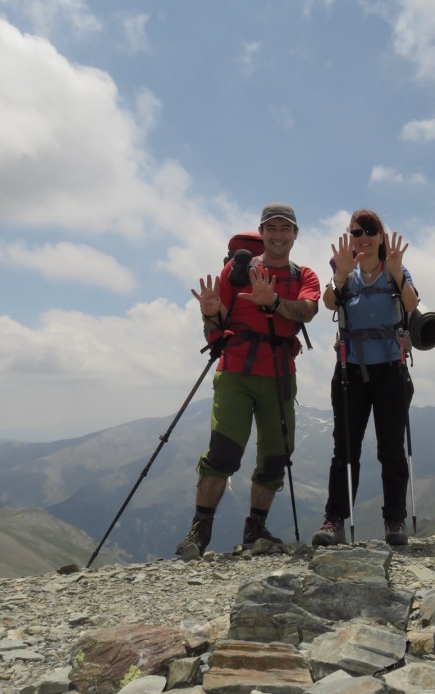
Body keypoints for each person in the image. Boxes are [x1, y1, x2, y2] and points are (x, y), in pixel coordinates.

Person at [176, 203, 321, 559]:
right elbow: (218, 323)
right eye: (271, 228)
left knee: (275, 457)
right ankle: (199, 530)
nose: (277, 235)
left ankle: (256, 527)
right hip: (236, 372)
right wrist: (209, 312)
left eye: (284, 229)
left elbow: (307, 311)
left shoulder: (305, 276)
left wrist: (272, 301)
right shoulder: (236, 271)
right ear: (262, 232)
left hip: (279, 374)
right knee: (224, 453)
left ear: (295, 235)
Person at [312, 209, 419, 547]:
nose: (363, 237)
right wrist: (341, 275)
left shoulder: (394, 271)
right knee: (345, 450)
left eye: (370, 230)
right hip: (351, 373)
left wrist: (398, 273)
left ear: (381, 236)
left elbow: (412, 305)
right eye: (357, 232)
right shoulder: (345, 272)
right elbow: (329, 302)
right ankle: (335, 521)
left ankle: (394, 520)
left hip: (390, 370)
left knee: (391, 449)